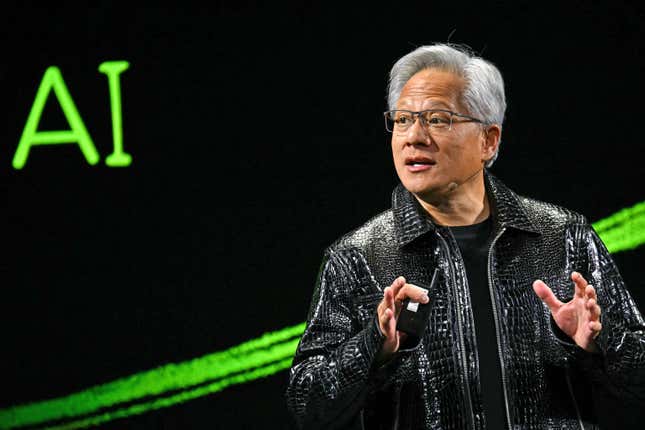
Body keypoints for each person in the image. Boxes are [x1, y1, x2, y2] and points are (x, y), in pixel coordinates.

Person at [285, 43, 645, 429]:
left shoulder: (564, 236)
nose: (414, 137)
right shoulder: (356, 257)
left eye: (437, 119)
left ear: (489, 140)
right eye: (403, 119)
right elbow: (308, 403)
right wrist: (374, 345)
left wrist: (601, 340)